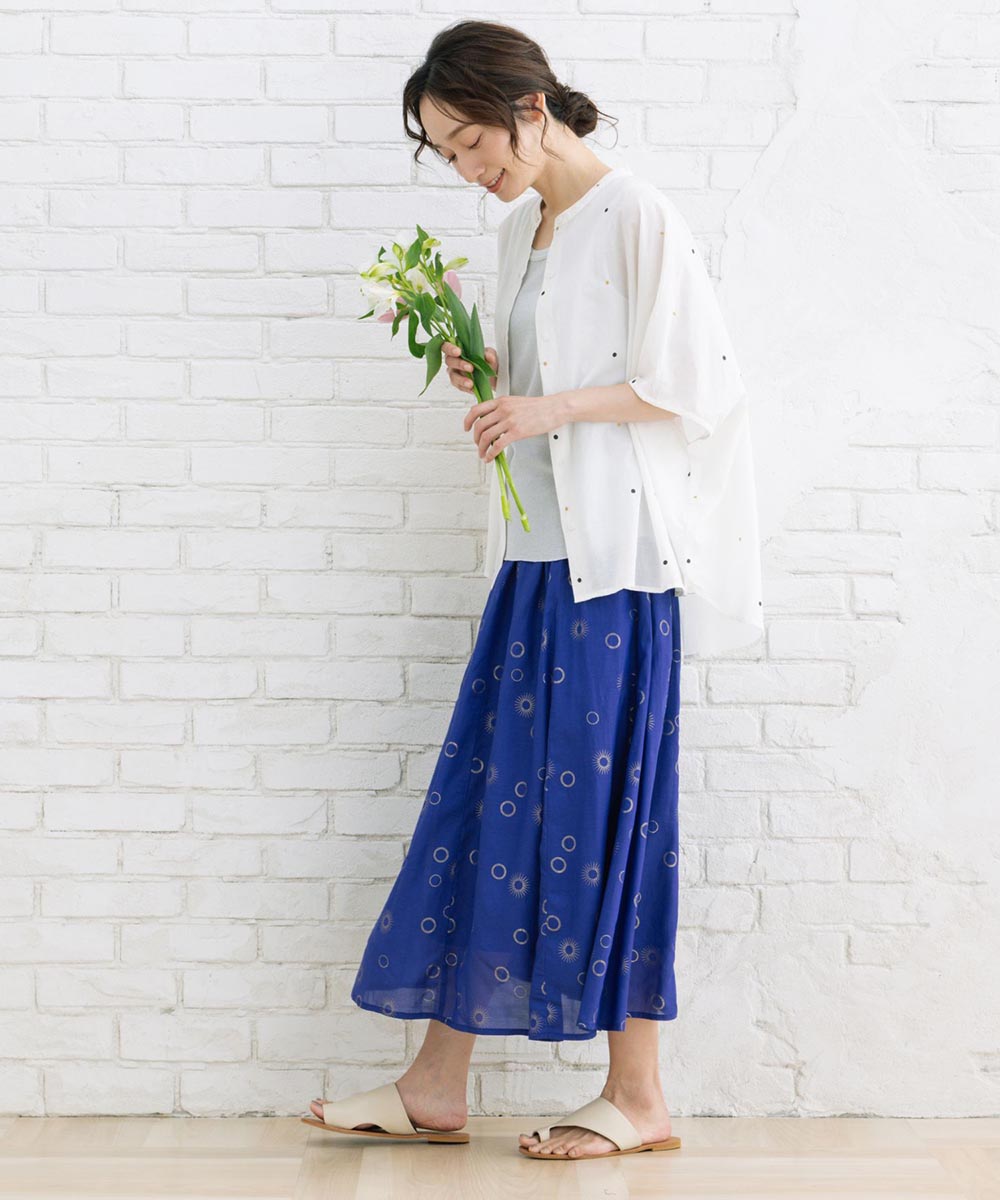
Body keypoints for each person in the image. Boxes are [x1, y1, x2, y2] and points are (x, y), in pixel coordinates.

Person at [305, 19, 763, 1163]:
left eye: (470, 142)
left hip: (614, 576)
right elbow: (544, 377)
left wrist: (546, 406)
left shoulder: (635, 213)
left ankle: (639, 1097)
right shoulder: (522, 231)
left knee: (610, 819)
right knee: (485, 805)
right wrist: (488, 371)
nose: (466, 168)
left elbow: (691, 385)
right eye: (445, 153)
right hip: (534, 564)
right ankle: (435, 1085)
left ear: (528, 107)